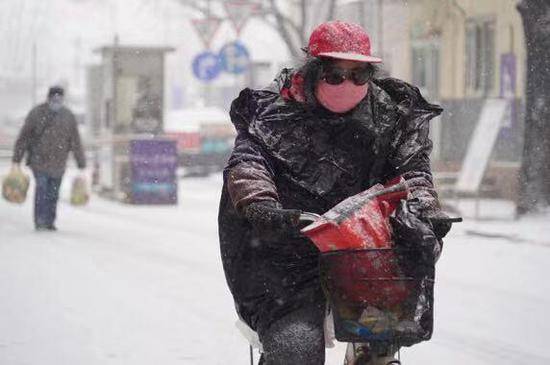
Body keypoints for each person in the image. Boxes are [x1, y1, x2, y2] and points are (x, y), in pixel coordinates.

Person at [218, 21, 451, 365]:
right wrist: (263, 208)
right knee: (295, 350)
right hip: (288, 254)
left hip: (366, 255)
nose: (347, 84)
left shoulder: (390, 113)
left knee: (378, 349)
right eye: (335, 75)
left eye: (358, 76)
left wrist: (424, 210)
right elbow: (249, 164)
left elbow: (412, 171)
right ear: (313, 72)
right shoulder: (271, 112)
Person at [12, 86, 86, 231]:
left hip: (58, 162)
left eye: (59, 99)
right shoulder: (37, 114)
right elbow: (24, 137)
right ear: (49, 98)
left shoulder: (68, 116)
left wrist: (81, 162)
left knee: (53, 193)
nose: (56, 101)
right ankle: (40, 220)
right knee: (41, 189)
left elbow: (75, 140)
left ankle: (50, 220)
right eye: (54, 98)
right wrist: (17, 158)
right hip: (39, 161)